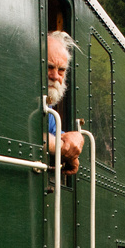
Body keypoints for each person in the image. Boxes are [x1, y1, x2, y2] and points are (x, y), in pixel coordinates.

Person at [46, 31, 85, 175]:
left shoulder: (47, 109)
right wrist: (60, 147)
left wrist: (76, 138)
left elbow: (57, 135)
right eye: (49, 67)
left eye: (61, 70)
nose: (55, 76)